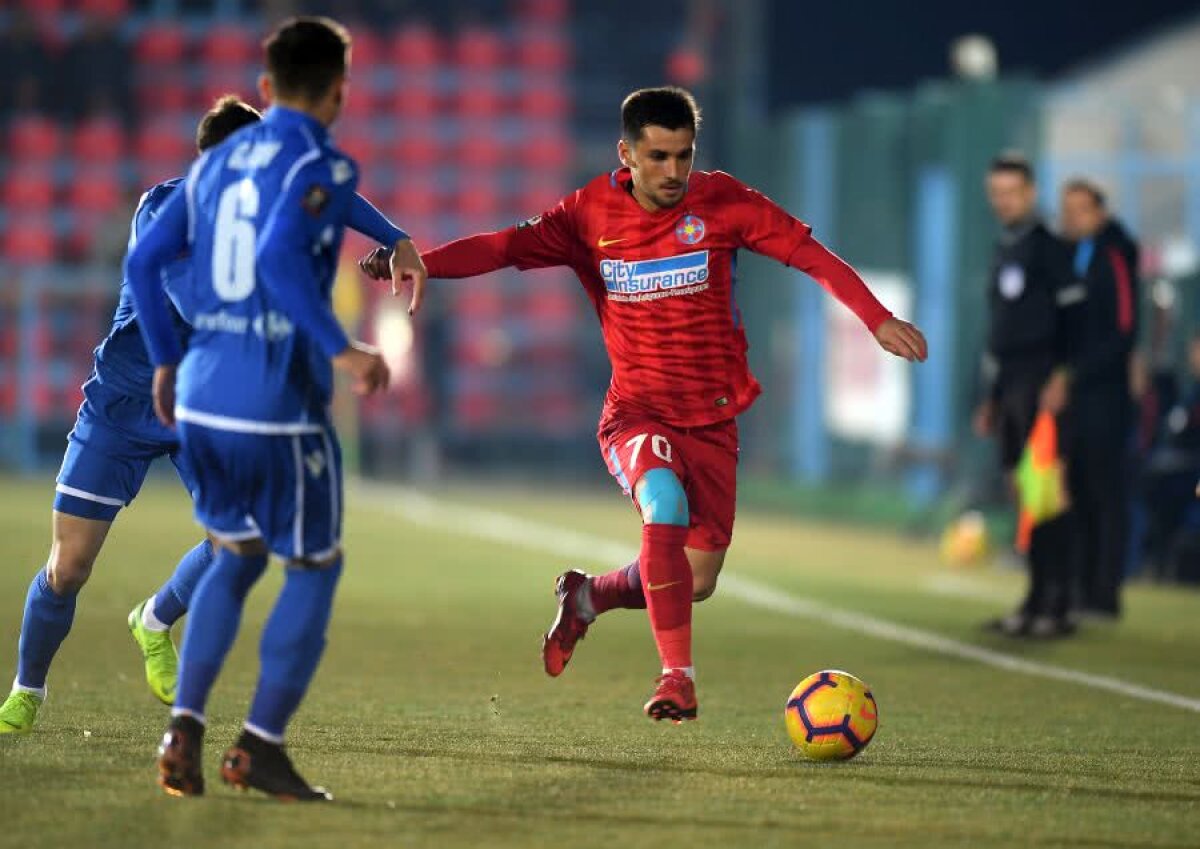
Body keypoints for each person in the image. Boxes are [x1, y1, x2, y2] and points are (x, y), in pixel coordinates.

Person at [362, 86, 926, 722]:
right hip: (636, 412)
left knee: (699, 580)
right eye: (658, 157)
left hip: (712, 419)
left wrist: (876, 318)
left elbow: (809, 255)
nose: (673, 172)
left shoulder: (724, 202)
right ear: (626, 153)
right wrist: (422, 265)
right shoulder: (586, 214)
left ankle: (588, 598)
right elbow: (502, 248)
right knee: (664, 506)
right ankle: (676, 679)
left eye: (683, 156)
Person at [0, 94, 411, 736]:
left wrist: (398, 239)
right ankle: (28, 687)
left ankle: (154, 620)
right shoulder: (163, 211)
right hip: (125, 402)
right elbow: (196, 303)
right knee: (70, 566)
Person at [127, 17, 425, 800]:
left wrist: (164, 357)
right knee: (316, 563)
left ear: (264, 89)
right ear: (340, 91)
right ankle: (259, 744)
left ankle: (183, 729)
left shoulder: (220, 159)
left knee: (235, 552)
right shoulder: (322, 159)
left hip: (201, 394)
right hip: (276, 402)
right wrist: (343, 349)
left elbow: (144, 257)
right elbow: (277, 258)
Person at [974, 153, 1077, 638]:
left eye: (1011, 192)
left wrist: (1063, 374)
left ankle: (1057, 603)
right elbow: (1001, 328)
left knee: (1047, 494)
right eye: (996, 193)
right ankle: (1035, 599)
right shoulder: (1004, 246)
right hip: (1012, 382)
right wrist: (992, 396)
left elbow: (1075, 323)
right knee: (1023, 491)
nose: (1003, 201)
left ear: (1031, 193)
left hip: (1042, 379)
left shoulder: (1050, 248)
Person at [1058, 178, 1140, 618]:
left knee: (1107, 494)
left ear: (1100, 213)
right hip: (1079, 395)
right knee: (1081, 490)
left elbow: (1124, 330)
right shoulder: (1074, 257)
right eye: (1066, 209)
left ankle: (1106, 593)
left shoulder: (1114, 255)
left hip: (1106, 396)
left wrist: (1076, 373)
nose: (1071, 218)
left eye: (1081, 209)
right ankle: (1082, 587)